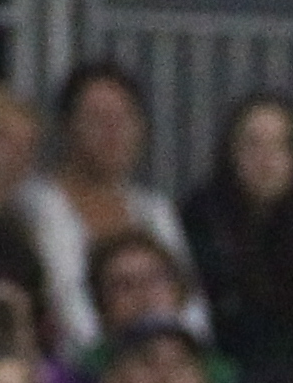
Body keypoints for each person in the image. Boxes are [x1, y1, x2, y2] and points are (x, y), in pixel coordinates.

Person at [17, 60, 191, 361]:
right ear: (68, 127)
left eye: (124, 118)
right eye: (98, 119)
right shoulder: (37, 205)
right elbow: (65, 300)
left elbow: (187, 299)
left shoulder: (155, 210)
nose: (113, 131)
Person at [185, 93, 293, 383]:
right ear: (230, 152)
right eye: (253, 144)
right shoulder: (198, 223)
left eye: (280, 146)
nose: (266, 159)